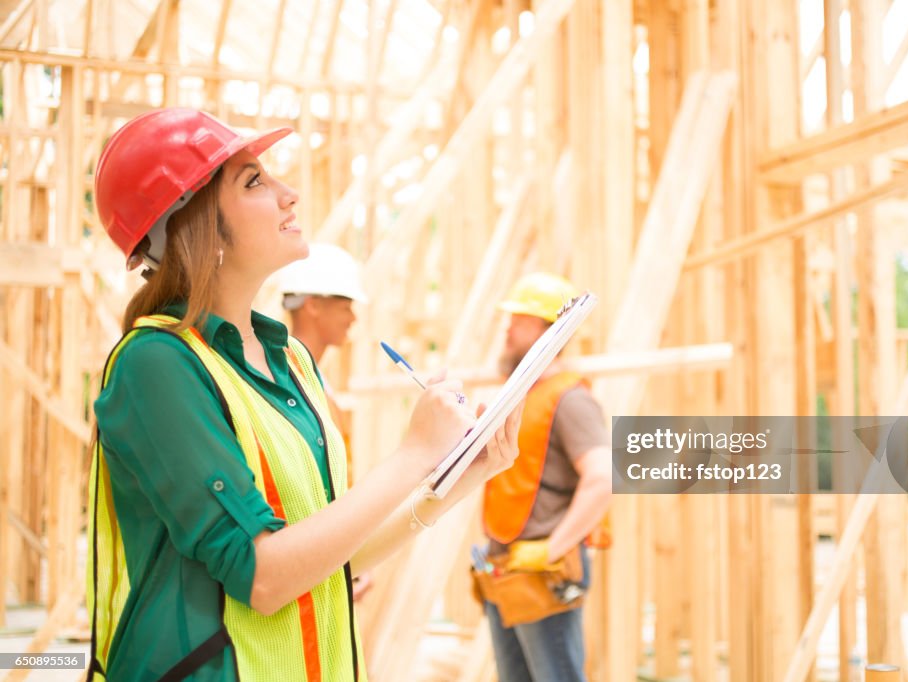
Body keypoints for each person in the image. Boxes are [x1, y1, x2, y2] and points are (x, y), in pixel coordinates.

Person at [87, 107, 522, 682]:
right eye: (254, 182)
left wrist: (456, 479)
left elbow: (329, 561)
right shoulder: (157, 365)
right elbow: (264, 578)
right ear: (194, 226)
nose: (288, 194)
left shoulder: (290, 361)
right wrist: (414, 453)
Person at [481, 272, 613, 682]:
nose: (508, 327)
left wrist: (552, 549)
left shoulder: (570, 398)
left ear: (546, 330)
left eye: (518, 319)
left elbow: (602, 478)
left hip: (544, 570)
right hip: (508, 565)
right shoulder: (519, 396)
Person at [274, 243, 374, 600]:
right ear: (313, 305)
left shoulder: (314, 377)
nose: (353, 318)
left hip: (323, 558)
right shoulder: (282, 378)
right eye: (346, 306)